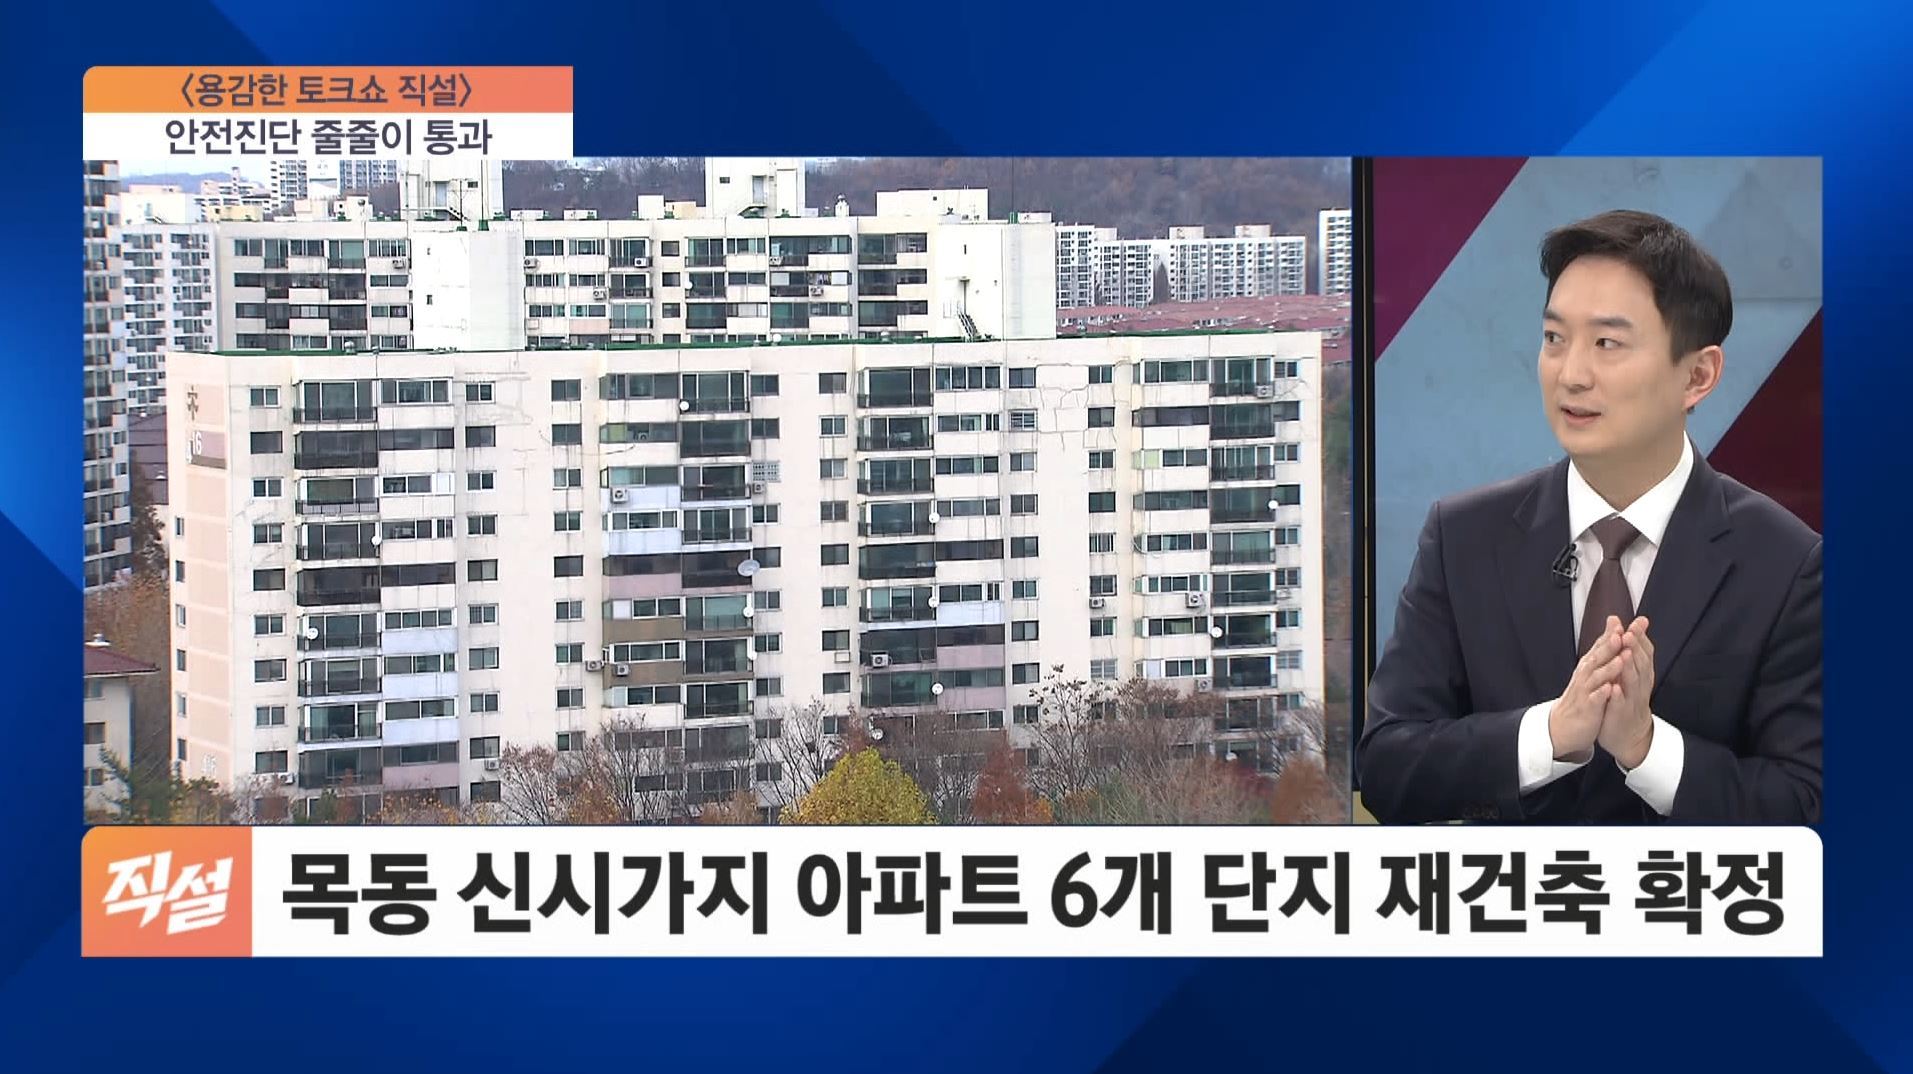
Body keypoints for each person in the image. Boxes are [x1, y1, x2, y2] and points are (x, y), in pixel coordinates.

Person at [1358, 209, 1821, 823]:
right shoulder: (1463, 538)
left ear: (1698, 375)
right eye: (1555, 338)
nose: (1571, 375)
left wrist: (1647, 748)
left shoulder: (1786, 565)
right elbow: (1386, 767)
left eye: (1607, 343)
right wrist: (1548, 735)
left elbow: (1806, 802)